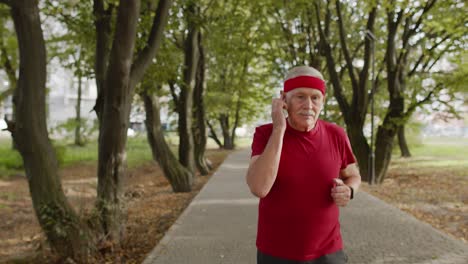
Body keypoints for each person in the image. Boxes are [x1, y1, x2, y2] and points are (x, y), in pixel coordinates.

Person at [246, 66, 361, 264]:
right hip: (276, 253)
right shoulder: (265, 134)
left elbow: (353, 175)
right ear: (284, 99)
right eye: (300, 96)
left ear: (322, 101)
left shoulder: (336, 134)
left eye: (315, 97)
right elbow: (259, 187)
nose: (308, 105)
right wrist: (279, 129)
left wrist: (349, 190)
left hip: (328, 252)